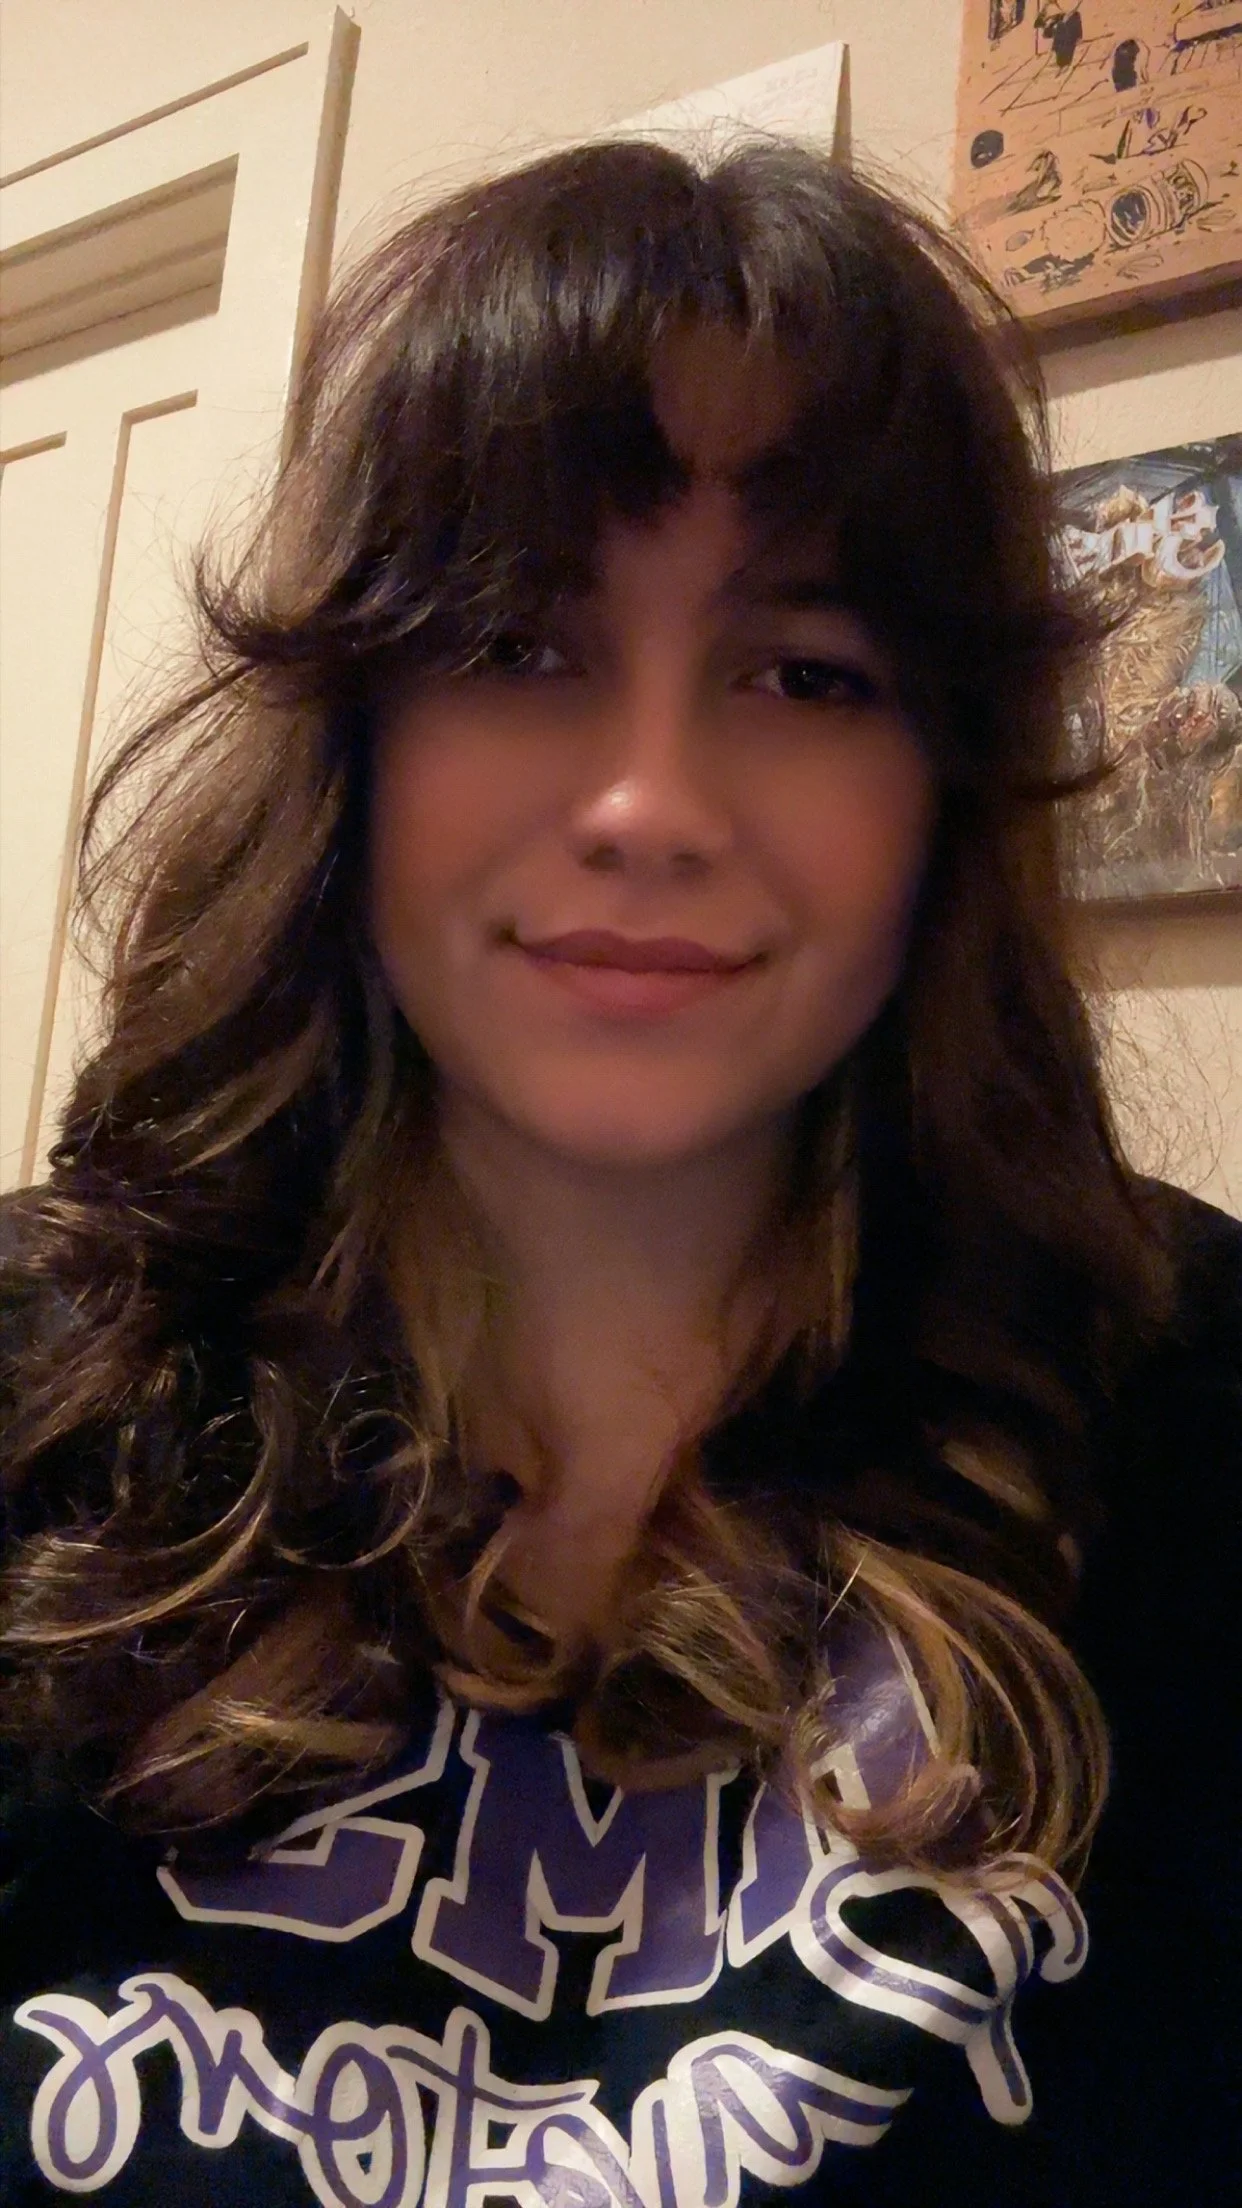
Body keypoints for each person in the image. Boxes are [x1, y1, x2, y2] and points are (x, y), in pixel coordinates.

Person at [0, 138, 1238, 2208]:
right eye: (515, 645)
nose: (651, 802)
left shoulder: (1188, 1413)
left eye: (804, 674)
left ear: (941, 787)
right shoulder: (42, 1383)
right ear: (351, 735)